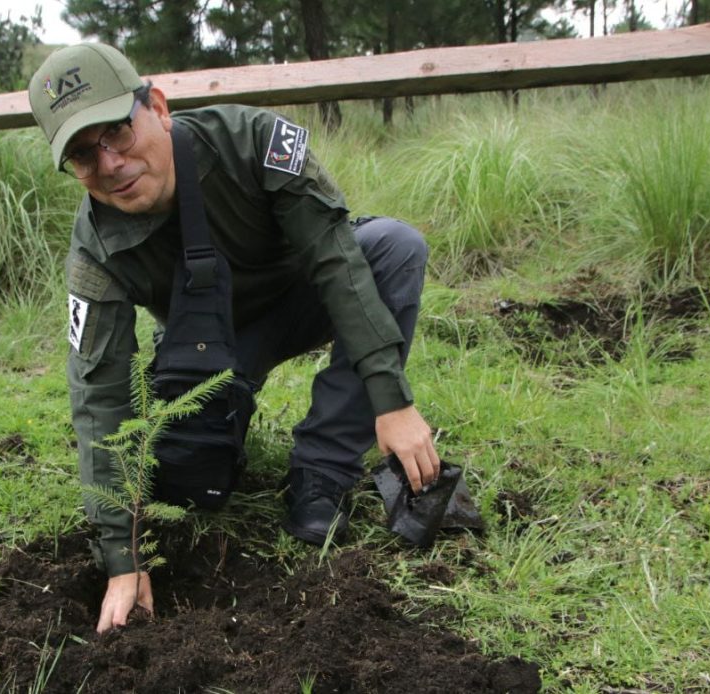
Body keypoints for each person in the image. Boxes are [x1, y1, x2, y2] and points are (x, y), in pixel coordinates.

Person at [28, 43, 440, 634]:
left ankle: (320, 473)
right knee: (185, 485)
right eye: (82, 155)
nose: (110, 163)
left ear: (159, 107)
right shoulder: (95, 247)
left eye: (116, 131)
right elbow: (98, 391)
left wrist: (391, 399)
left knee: (394, 247)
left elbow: (334, 259)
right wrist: (124, 555)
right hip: (209, 351)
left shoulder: (253, 140)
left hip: (302, 298)